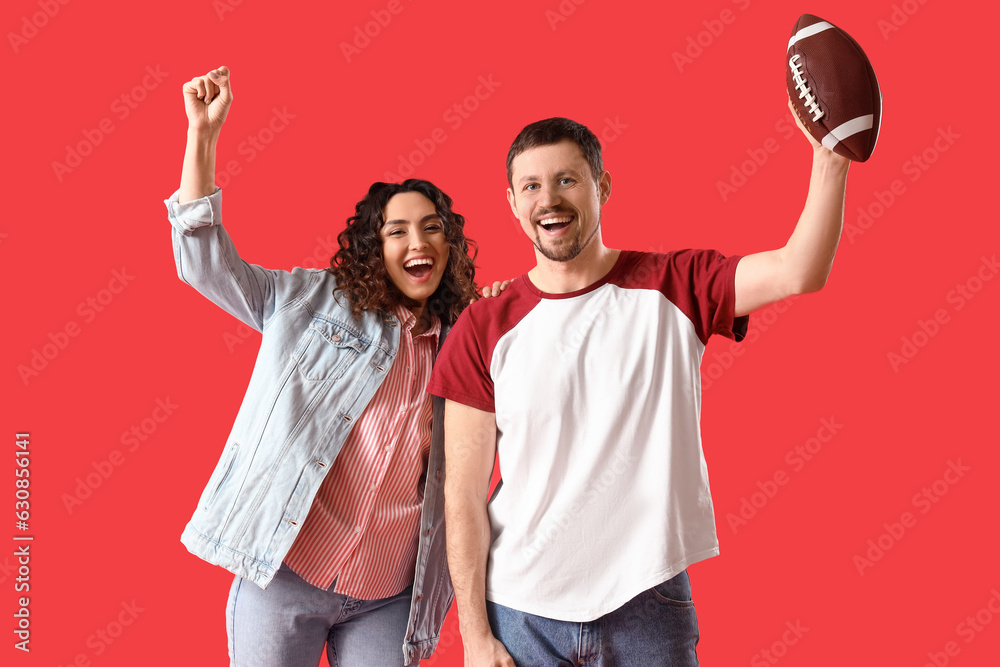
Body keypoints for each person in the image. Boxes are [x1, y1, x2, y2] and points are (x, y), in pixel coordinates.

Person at [427, 112, 851, 666]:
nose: (548, 199)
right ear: (512, 201)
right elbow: (460, 496)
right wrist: (476, 637)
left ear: (602, 186)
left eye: (567, 180)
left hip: (645, 599)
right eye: (531, 186)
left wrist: (831, 157)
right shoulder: (484, 327)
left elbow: (801, 270)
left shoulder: (677, 285)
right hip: (521, 611)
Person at [163, 66, 481, 666]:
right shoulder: (310, 301)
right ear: (374, 247)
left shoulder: (464, 344)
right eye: (397, 230)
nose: (419, 241)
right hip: (286, 573)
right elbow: (205, 265)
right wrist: (201, 139)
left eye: (433, 228)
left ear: (450, 245)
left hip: (389, 595)